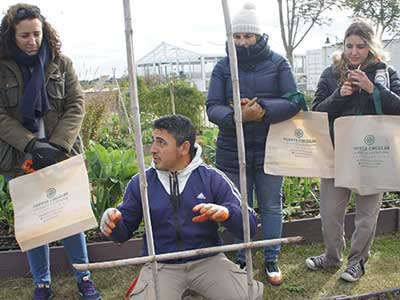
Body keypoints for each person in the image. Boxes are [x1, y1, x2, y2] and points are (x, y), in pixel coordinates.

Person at [100, 114, 264, 300]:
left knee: (246, 297)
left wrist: (228, 214)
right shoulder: (141, 183)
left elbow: (250, 227)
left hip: (208, 259)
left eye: (161, 143)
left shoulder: (212, 178)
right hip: (160, 264)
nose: (153, 149)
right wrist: (112, 225)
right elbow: (122, 233)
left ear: (184, 147)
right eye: (153, 141)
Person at [0, 4, 101, 299]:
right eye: (24, 36)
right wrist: (31, 143)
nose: (32, 41)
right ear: (11, 36)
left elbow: (76, 105)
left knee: (71, 218)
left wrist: (56, 146)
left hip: (61, 155)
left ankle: (84, 277)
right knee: (34, 224)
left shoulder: (62, 63)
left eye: (37, 34)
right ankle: (42, 283)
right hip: (22, 157)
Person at [206, 2, 301, 285]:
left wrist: (262, 111)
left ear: (259, 36)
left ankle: (271, 257)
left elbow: (295, 101)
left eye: (248, 36)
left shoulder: (277, 62)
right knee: (237, 205)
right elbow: (212, 107)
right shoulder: (223, 67)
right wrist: (237, 115)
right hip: (232, 150)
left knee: (271, 205)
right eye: (237, 36)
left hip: (271, 148)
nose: (242, 41)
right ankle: (242, 256)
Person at [305, 19, 400, 282]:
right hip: (336, 154)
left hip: (372, 155)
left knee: (367, 216)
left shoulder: (385, 73)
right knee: (330, 213)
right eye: (349, 46)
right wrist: (339, 94)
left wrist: (372, 89)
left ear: (370, 47)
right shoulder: (331, 73)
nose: (354, 52)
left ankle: (357, 262)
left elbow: (398, 109)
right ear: (343, 46)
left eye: (360, 46)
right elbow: (318, 112)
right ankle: (332, 257)